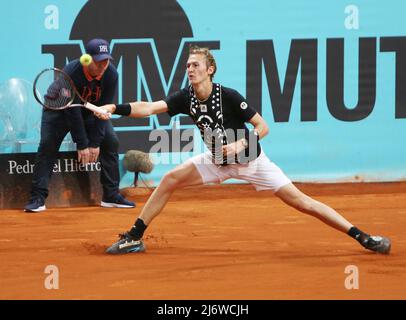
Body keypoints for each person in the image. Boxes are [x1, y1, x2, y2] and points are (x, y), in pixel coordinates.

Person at [95, 45, 391, 255]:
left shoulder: (229, 96)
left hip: (252, 162)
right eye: (187, 65)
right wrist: (114, 108)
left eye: (195, 65)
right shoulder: (186, 97)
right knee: (170, 179)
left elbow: (263, 127)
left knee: (302, 202)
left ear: (210, 69)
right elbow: (150, 107)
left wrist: (241, 142)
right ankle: (134, 237)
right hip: (215, 160)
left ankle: (363, 237)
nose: (190, 69)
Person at [24, 38, 135, 212]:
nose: (103, 65)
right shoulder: (72, 72)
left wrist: (95, 143)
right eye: (99, 61)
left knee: (111, 141)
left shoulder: (111, 74)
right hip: (58, 109)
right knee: (47, 145)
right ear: (87, 59)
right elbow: (72, 112)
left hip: (89, 111)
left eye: (106, 60)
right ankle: (37, 198)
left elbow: (102, 110)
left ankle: (111, 195)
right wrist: (83, 144)